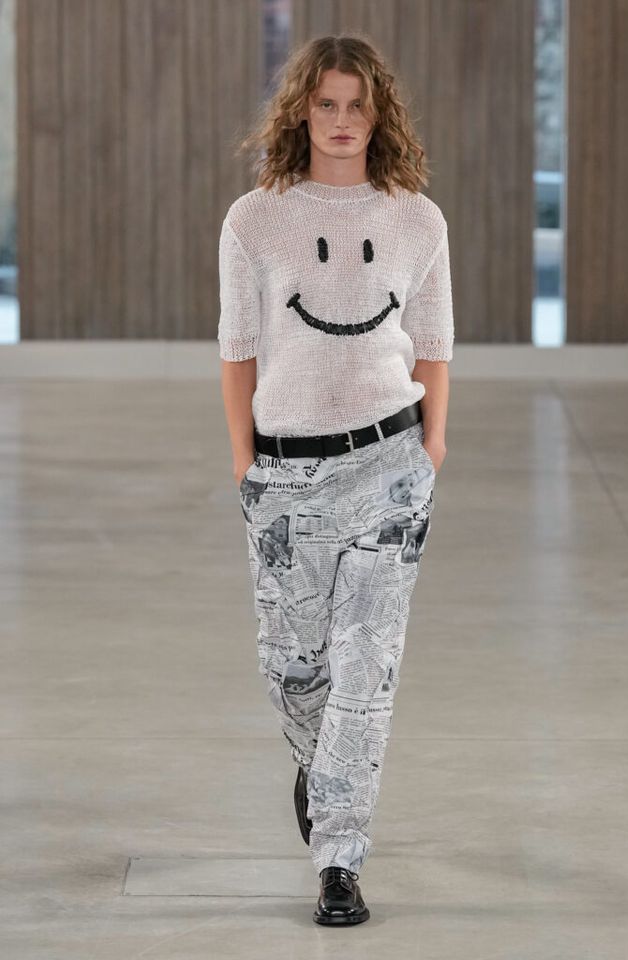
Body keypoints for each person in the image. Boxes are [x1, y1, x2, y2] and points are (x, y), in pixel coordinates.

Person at [218, 33, 454, 926]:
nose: (344, 120)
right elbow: (239, 348)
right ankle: (319, 772)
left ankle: (339, 861)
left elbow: (434, 343)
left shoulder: (416, 220)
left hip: (389, 471)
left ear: (380, 115)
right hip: (285, 476)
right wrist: (244, 463)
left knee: (365, 670)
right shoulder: (255, 220)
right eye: (327, 104)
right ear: (303, 113)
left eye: (359, 105)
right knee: (295, 669)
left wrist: (432, 449)